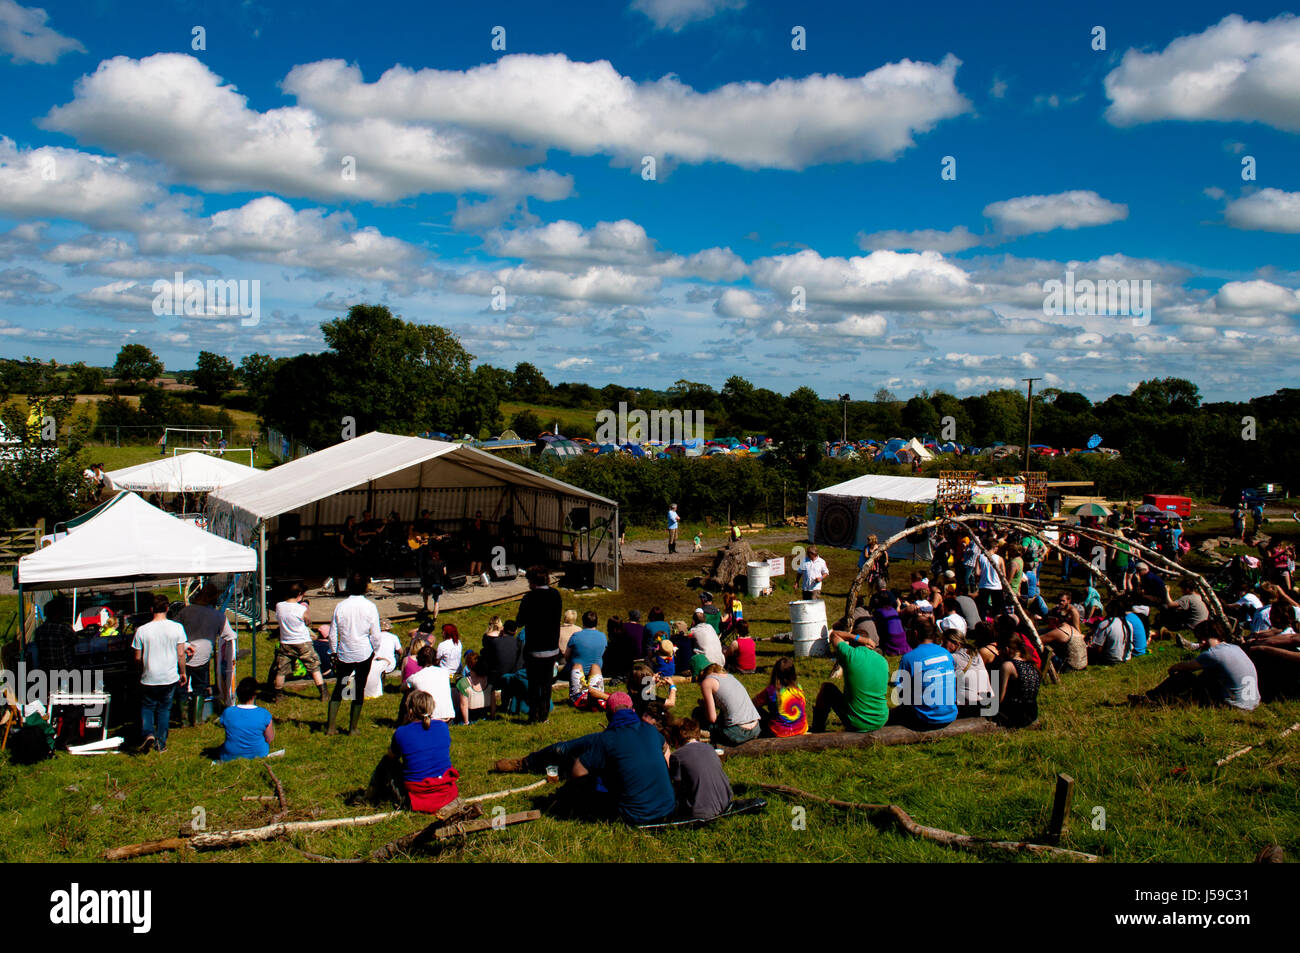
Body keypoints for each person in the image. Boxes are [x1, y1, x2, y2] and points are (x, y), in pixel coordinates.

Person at [568, 692, 677, 825]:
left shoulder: (606, 739)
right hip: (668, 809)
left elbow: (577, 772)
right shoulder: (651, 730)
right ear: (633, 710)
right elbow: (665, 747)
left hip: (634, 816)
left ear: (608, 715)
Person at [366, 690, 460, 813]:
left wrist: (404, 725)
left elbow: (392, 755)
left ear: (410, 711)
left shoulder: (401, 732)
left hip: (417, 797)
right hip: (446, 793)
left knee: (387, 762)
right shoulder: (443, 727)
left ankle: (369, 796)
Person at [1134, 622, 1260, 711]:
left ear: (1203, 639)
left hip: (1234, 706)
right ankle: (1153, 699)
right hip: (1252, 703)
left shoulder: (1213, 654)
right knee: (1207, 675)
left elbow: (1181, 668)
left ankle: (1150, 698)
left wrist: (1172, 669)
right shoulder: (1235, 648)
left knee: (1185, 676)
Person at [327, 573, 383, 736]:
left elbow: (333, 633)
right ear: (365, 587)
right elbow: (376, 634)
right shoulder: (370, 607)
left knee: (341, 686)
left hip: (345, 652)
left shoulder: (341, 606)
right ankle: (353, 728)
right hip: (364, 652)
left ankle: (331, 727)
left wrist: (333, 651)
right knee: (359, 688)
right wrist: (376, 649)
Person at [132, 593, 188, 753]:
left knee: (147, 707)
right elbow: (181, 654)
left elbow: (137, 657)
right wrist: (182, 672)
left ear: (151, 609)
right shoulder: (177, 628)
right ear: (167, 608)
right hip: (169, 676)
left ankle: (148, 732)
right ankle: (161, 743)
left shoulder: (142, 630)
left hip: (149, 676)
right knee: (164, 709)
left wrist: (140, 671)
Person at [175, 583, 236, 724]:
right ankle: (196, 719)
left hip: (183, 653)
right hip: (203, 655)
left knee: (182, 685)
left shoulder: (186, 611)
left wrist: (184, 644)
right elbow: (229, 635)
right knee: (200, 687)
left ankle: (183, 720)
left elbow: (175, 629)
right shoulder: (218, 616)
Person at [812, 627, 890, 733]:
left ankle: (817, 729)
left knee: (827, 688)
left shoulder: (850, 655)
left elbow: (834, 635)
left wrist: (858, 638)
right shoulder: (883, 661)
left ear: (853, 642)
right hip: (881, 719)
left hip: (857, 722)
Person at [890, 616, 957, 730]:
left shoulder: (909, 658)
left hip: (925, 718)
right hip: (950, 714)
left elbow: (900, 693)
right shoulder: (946, 653)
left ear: (915, 633)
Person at [517, 565, 563, 723]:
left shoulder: (529, 598)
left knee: (534, 684)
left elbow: (520, 620)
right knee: (546, 684)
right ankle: (544, 716)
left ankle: (533, 715)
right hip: (551, 647)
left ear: (532, 581)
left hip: (534, 648)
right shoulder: (556, 595)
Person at [668, 718, 734, 820]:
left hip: (700, 812)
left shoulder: (677, 756)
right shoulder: (710, 748)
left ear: (675, 739)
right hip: (725, 803)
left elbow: (677, 787)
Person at [271, 583, 327, 701]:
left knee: (281, 669)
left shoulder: (279, 606)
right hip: (302, 642)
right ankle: (323, 692)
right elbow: (307, 621)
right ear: (299, 595)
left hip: (286, 642)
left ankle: (278, 694)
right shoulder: (302, 609)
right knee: (314, 667)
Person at [696, 664, 761, 746]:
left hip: (737, 732)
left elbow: (712, 719)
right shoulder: (731, 677)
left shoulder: (707, 682)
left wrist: (705, 707)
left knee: (697, 713)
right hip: (756, 728)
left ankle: (703, 736)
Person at [218, 677, 275, 760]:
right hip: (259, 754)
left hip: (230, 755)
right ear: (254, 695)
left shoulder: (228, 712)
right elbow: (269, 738)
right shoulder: (264, 714)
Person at [994, 633, 1041, 728]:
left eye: (999, 649)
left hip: (1015, 715)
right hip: (1032, 713)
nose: (998, 653)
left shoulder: (1008, 666)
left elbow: (999, 698)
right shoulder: (1031, 663)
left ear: (1006, 649)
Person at [753, 656, 807, 737]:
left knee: (755, 710)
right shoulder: (798, 687)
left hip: (779, 732)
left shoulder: (771, 690)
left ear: (775, 673)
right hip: (800, 729)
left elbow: (753, 704)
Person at [403, 645, 456, 721]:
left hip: (429, 717)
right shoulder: (445, 672)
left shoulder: (415, 677)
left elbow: (402, 688)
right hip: (448, 715)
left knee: (408, 692)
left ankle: (403, 721)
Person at [1039, 607, 1088, 673]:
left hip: (1069, 668)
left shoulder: (1060, 631)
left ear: (1055, 619)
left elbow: (1038, 640)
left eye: (1050, 619)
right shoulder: (1071, 628)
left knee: (1044, 647)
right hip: (1082, 665)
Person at [364, 624, 403, 699]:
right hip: (389, 665)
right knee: (396, 653)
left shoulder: (371, 637)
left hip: (374, 663)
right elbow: (400, 651)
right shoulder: (394, 637)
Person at [1089, 601, 1133, 666]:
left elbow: (1098, 647)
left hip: (1109, 660)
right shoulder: (1128, 624)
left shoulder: (1105, 624)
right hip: (1126, 658)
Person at [454, 651, 493, 724]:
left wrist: (466, 722)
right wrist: (492, 717)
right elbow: (493, 702)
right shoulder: (489, 681)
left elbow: (463, 705)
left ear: (468, 666)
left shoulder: (464, 682)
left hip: (470, 716)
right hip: (484, 715)